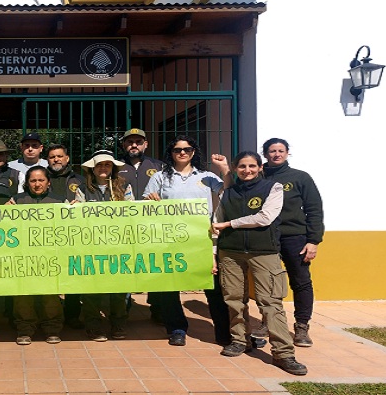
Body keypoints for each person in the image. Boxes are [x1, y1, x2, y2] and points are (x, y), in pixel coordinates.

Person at [213, 151, 308, 376]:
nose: (247, 170)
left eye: (252, 166)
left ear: (260, 167)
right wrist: (214, 253)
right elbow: (216, 223)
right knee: (234, 300)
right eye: (243, 166)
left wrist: (230, 224)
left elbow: (265, 217)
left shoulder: (273, 188)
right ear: (236, 169)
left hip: (264, 252)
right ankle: (239, 341)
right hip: (231, 252)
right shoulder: (228, 192)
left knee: (270, 302)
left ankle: (284, 353)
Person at [142, 135, 232, 346]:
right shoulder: (159, 177)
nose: (182, 153)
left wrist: (225, 169)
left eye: (187, 149)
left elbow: (228, 192)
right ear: (171, 153)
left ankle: (223, 331)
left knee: (213, 286)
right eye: (177, 150)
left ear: (193, 152)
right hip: (169, 239)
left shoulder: (207, 176)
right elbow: (146, 203)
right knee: (169, 287)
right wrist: (151, 199)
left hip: (202, 238)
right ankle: (176, 328)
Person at [258, 138, 324, 347]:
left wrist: (313, 241)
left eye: (281, 151)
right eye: (272, 151)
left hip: (294, 237)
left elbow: (314, 209)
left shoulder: (300, 177)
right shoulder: (258, 176)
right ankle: (267, 321)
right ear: (265, 154)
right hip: (265, 235)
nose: (276, 154)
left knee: (300, 281)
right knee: (267, 282)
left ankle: (302, 326)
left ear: (287, 153)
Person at [80, 150, 134, 341]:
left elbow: (132, 211)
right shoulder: (82, 188)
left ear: (113, 168)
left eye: (107, 165)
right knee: (91, 289)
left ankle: (118, 325)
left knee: (118, 289)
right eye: (100, 165)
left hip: (118, 246)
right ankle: (94, 326)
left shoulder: (124, 186)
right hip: (91, 246)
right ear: (92, 169)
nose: (103, 168)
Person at [8, 166, 64, 345]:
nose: (37, 184)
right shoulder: (17, 201)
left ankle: (52, 330)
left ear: (48, 183)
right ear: (27, 183)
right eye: (33, 180)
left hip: (50, 258)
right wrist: (4, 211)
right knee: (23, 296)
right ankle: (25, 330)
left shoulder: (59, 201)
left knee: (50, 296)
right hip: (23, 257)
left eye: (41, 180)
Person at [116, 128, 165, 323]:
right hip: (124, 227)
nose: (133, 145)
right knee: (126, 265)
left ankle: (158, 307)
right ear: (124, 145)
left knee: (154, 265)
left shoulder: (159, 166)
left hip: (152, 227)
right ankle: (123, 308)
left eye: (138, 141)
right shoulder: (116, 167)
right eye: (129, 142)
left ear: (145, 144)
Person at [45, 144, 85, 328]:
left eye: (60, 156)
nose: (56, 160)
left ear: (67, 158)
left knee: (73, 278)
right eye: (52, 157)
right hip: (45, 235)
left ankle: (72, 315)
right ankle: (49, 316)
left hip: (72, 236)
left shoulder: (79, 179)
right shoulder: (40, 177)